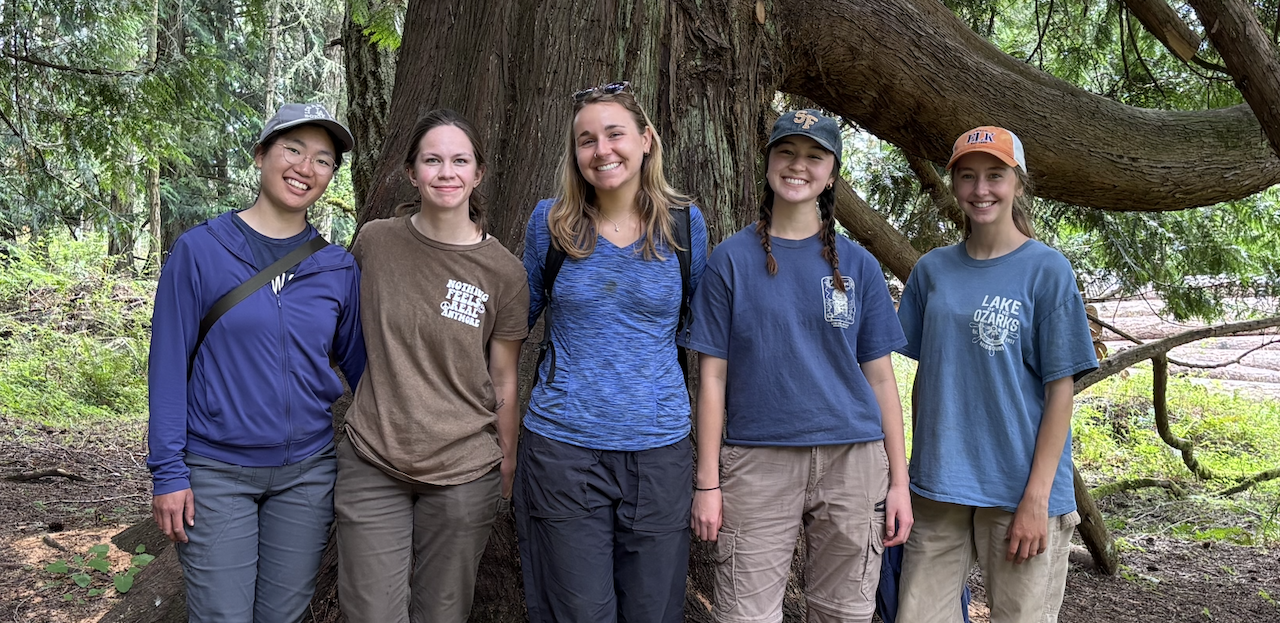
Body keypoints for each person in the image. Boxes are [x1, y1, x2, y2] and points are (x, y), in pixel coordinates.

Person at [686, 109, 913, 623]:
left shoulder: (858, 266)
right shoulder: (730, 261)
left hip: (853, 461)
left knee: (843, 613)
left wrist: (898, 483)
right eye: (786, 152)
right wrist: (707, 482)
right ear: (768, 161)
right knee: (745, 616)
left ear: (831, 175)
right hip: (757, 461)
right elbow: (712, 378)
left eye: (814, 156)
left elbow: (882, 379)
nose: (798, 165)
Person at [147, 103, 365, 623]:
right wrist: (168, 473)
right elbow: (167, 367)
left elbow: (365, 370)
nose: (305, 168)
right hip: (216, 472)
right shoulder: (200, 251)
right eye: (293, 149)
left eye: (323, 160)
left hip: (307, 474)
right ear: (261, 154)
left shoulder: (336, 266)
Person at [516, 81, 708, 623]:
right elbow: (510, 327)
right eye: (587, 140)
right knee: (578, 612)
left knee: (653, 610)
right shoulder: (550, 223)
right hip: (563, 449)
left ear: (646, 140)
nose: (602, 150)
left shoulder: (684, 224)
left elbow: (706, 336)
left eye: (615, 134)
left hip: (659, 450)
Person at [895, 126, 1098, 623]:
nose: (980, 189)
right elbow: (928, 377)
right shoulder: (932, 270)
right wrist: (913, 472)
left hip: (1018, 489)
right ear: (954, 185)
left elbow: (1060, 392)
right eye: (967, 176)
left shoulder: (1047, 271)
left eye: (995, 175)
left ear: (1018, 183)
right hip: (938, 487)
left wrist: (1037, 499)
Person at [334, 109, 529, 623]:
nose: (447, 172)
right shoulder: (375, 243)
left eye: (460, 161)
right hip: (374, 456)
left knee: (443, 614)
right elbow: (343, 331)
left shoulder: (504, 272)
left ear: (478, 173)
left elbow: (504, 376)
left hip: (465, 468)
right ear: (411, 171)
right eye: (433, 160)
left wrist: (507, 458)